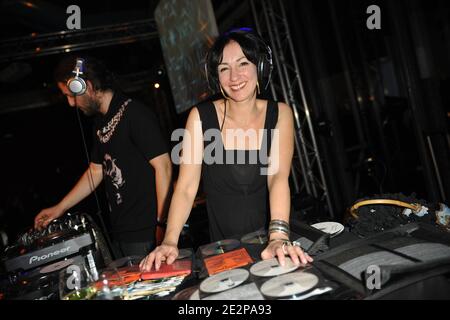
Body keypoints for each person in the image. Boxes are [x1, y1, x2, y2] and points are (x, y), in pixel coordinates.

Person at [140, 28, 312, 271]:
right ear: (215, 78)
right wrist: (170, 240)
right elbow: (187, 187)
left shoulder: (280, 113)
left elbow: (277, 177)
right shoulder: (200, 117)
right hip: (227, 250)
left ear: (260, 67)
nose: (234, 76)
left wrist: (278, 237)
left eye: (243, 63)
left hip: (278, 235)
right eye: (224, 69)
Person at [34, 56, 172, 259]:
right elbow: (96, 171)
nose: (71, 103)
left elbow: (164, 167)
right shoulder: (100, 122)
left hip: (148, 233)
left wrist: (163, 223)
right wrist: (59, 208)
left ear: (87, 86)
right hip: (122, 233)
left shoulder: (134, 113)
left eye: (71, 96)